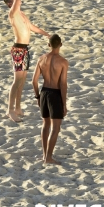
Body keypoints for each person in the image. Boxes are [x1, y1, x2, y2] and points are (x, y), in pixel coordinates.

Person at [4, 0, 50, 122]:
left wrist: (47, 34)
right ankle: (10, 110)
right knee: (16, 81)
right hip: (18, 49)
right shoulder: (13, 13)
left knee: (22, 81)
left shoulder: (22, 15)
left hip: (24, 50)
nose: (17, 0)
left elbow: (33, 28)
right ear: (10, 4)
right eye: (14, 0)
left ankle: (17, 107)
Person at [32, 34, 68, 164]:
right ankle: (48, 157)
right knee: (55, 128)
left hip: (44, 92)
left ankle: (44, 155)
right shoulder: (63, 62)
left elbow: (34, 81)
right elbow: (63, 84)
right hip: (55, 94)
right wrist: (64, 103)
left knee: (45, 125)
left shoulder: (41, 59)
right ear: (61, 45)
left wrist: (37, 96)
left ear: (49, 45)